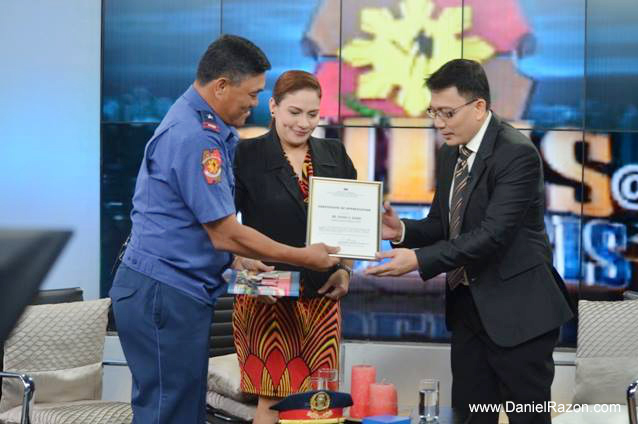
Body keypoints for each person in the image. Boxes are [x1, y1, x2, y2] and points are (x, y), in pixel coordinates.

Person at [109, 37, 340, 424]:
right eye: (251, 94)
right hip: (164, 292)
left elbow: (191, 223)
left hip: (170, 290)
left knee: (181, 408)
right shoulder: (197, 137)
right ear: (220, 86)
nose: (253, 103)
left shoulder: (207, 127)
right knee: (171, 412)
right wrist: (304, 256)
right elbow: (224, 232)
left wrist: (240, 260)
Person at [366, 59, 574, 424]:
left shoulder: (516, 153)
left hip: (519, 314)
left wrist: (418, 260)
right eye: (433, 112)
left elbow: (491, 235)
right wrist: (400, 232)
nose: (438, 123)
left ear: (479, 107)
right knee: (470, 417)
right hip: (468, 311)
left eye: (447, 112)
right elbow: (443, 224)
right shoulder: (451, 153)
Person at [232, 70, 357, 424]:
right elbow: (223, 227)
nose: (304, 123)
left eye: (312, 114)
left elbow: (350, 222)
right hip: (267, 295)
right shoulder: (247, 155)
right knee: (273, 402)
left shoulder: (334, 153)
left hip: (321, 297)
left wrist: (345, 270)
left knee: (319, 403)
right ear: (273, 107)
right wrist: (242, 260)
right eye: (294, 112)